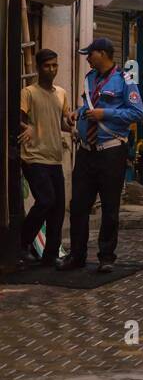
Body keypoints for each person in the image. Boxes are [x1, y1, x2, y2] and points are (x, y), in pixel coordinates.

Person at [58, 37, 143, 273]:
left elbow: (136, 112)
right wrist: (78, 112)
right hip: (87, 151)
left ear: (104, 54)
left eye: (91, 54)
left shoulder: (126, 78)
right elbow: (89, 106)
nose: (87, 59)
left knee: (109, 206)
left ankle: (106, 257)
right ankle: (77, 255)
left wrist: (104, 114)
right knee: (78, 205)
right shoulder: (90, 78)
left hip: (111, 151)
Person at [18, 48, 75, 267]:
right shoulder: (28, 92)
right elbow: (18, 119)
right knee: (45, 200)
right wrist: (27, 127)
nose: (52, 69)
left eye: (55, 65)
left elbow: (62, 122)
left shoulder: (61, 93)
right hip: (33, 157)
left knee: (58, 208)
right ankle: (22, 244)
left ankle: (50, 254)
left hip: (54, 157)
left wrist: (70, 122)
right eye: (47, 66)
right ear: (38, 67)